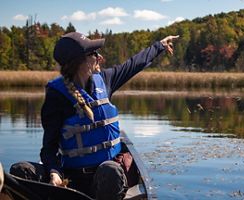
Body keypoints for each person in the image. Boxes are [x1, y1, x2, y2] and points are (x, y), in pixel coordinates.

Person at [10, 32, 179, 199]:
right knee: (20, 170)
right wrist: (54, 173)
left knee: (110, 171)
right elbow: (49, 148)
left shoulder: (105, 80)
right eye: (94, 53)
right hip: (70, 179)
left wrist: (160, 46)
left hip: (105, 177)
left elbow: (133, 64)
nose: (100, 57)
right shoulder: (57, 96)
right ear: (79, 62)